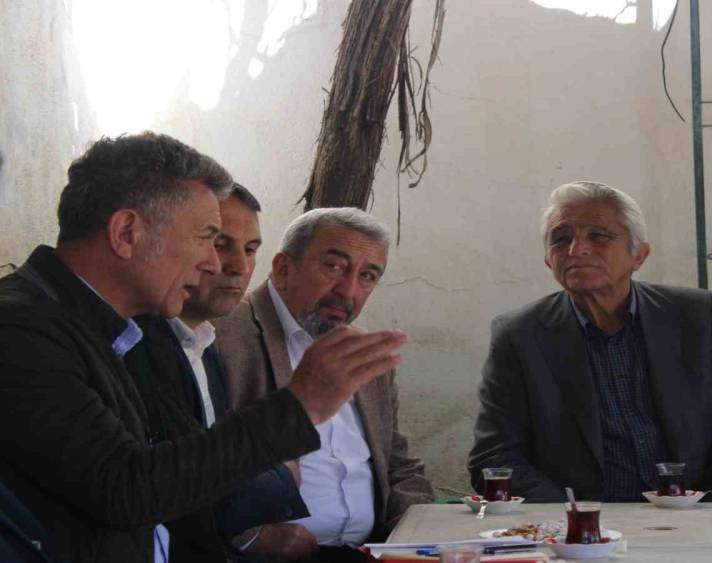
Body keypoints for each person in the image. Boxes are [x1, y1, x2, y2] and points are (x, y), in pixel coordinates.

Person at [0, 133, 408, 563]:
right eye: (205, 238)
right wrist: (299, 407)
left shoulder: (113, 329)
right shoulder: (20, 329)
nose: (214, 264)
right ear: (126, 233)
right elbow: (126, 488)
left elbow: (183, 469)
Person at [467, 180, 712, 502]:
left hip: (695, 513)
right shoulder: (519, 336)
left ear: (639, 255)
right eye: (561, 239)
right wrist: (575, 517)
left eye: (598, 236)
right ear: (548, 260)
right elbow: (494, 458)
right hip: (579, 521)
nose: (576, 250)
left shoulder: (698, 316)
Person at [215, 207, 434, 562]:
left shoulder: (364, 353)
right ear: (283, 269)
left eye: (367, 276)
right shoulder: (222, 336)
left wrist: (416, 538)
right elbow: (193, 466)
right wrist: (247, 538)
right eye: (333, 266)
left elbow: (398, 467)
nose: (348, 290)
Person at [124, 184, 317, 561]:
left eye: (250, 249)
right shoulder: (137, 343)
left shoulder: (204, 341)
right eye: (219, 243)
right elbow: (186, 484)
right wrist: (250, 530)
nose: (238, 267)